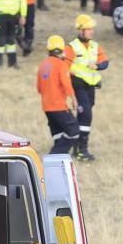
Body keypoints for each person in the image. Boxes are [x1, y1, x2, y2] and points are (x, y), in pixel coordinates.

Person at [65, 14, 108, 162]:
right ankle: (81, 150)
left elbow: (105, 62)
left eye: (92, 29)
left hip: (91, 86)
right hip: (78, 85)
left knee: (84, 116)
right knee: (86, 115)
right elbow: (65, 66)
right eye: (88, 29)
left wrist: (97, 66)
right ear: (80, 31)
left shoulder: (95, 46)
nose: (91, 31)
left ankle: (75, 144)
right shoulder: (72, 47)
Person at [36, 35, 80, 154]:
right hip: (58, 106)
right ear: (62, 50)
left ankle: (58, 161)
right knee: (73, 131)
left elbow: (39, 88)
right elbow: (66, 84)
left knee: (58, 134)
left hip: (46, 107)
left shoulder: (43, 65)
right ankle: (53, 156)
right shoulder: (62, 65)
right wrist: (74, 99)